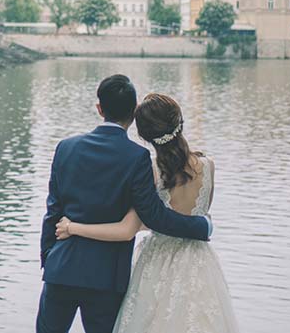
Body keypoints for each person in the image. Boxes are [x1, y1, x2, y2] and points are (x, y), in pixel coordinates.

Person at [37, 75, 211, 333]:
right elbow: (152, 215)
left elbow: (53, 211)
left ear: (99, 108)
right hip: (106, 278)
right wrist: (201, 227)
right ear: (134, 111)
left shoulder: (66, 148)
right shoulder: (137, 157)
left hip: (61, 269)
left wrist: (48, 257)